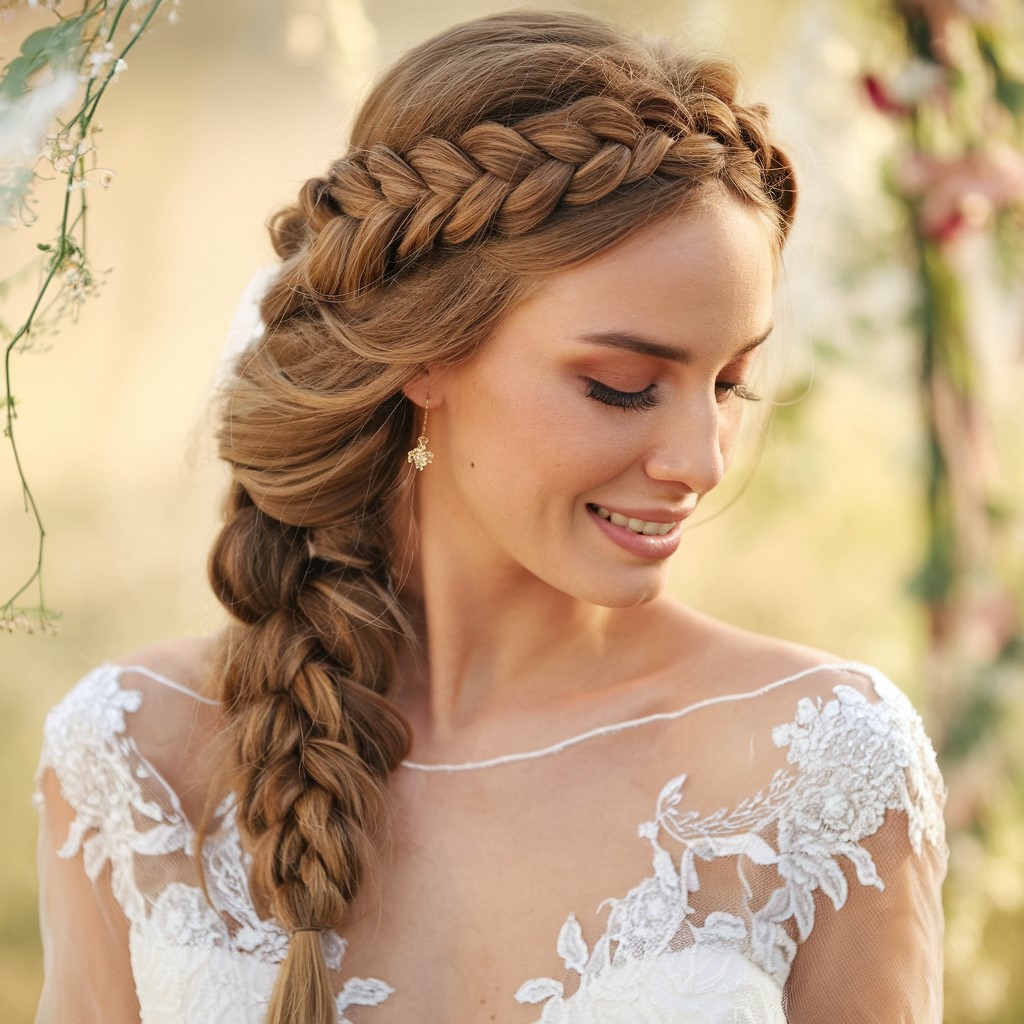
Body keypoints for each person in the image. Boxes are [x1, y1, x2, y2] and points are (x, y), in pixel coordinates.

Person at [33, 10, 947, 1024]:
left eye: (730, 381)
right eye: (621, 385)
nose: (700, 459)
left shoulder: (818, 766)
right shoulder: (136, 760)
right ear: (422, 352)